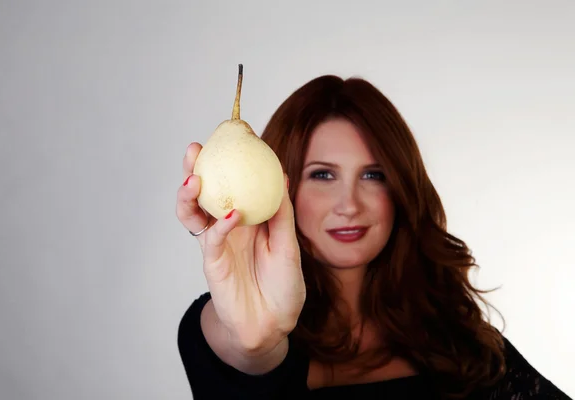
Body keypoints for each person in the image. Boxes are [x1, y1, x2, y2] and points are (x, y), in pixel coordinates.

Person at [175, 74, 571, 399]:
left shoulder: (457, 339)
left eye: (373, 175)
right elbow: (246, 351)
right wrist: (257, 346)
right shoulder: (225, 324)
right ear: (282, 187)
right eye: (323, 175)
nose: (349, 204)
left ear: (400, 191)